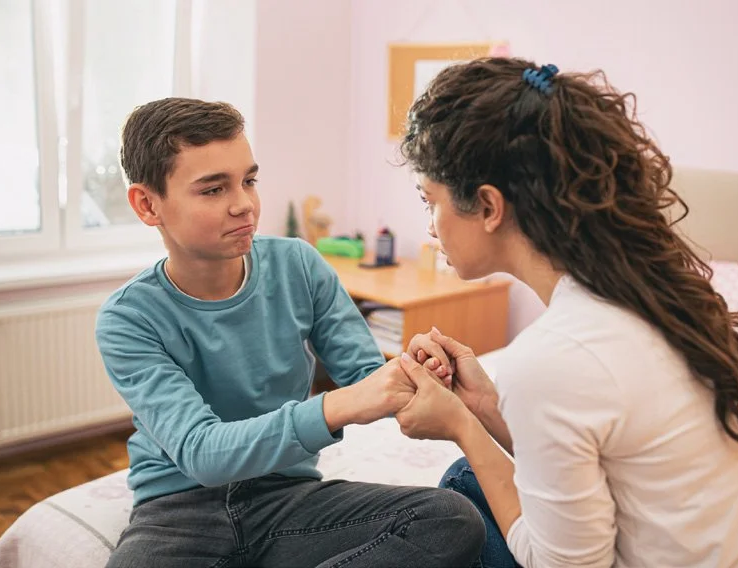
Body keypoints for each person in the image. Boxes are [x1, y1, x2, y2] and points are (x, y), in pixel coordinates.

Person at [393, 58, 738, 567]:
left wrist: (461, 427)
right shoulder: (666, 298)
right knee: (469, 483)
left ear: (489, 207)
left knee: (460, 488)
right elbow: (610, 458)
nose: (430, 226)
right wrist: (484, 407)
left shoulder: (554, 357)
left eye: (429, 200)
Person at [94, 97, 484, 568]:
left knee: (450, 518)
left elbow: (365, 375)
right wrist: (343, 404)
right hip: (179, 511)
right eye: (213, 189)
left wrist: (416, 373)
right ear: (147, 204)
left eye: (249, 181)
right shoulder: (128, 318)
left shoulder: (298, 264)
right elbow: (202, 453)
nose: (244, 204)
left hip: (288, 497)